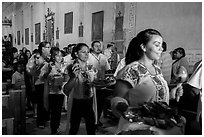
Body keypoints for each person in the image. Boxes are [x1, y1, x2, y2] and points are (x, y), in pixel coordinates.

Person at [111, 29, 185, 134]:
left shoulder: (157, 69)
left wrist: (172, 94)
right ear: (143, 47)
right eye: (157, 45)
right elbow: (117, 99)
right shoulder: (132, 70)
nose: (161, 49)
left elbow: (156, 96)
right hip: (137, 128)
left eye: (161, 45)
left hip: (158, 128)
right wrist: (126, 108)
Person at [63, 43, 98, 135]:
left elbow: (95, 83)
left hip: (89, 100)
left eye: (88, 52)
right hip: (76, 102)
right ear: (76, 54)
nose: (86, 54)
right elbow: (66, 90)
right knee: (74, 128)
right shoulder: (71, 68)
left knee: (91, 127)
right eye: (83, 52)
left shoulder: (91, 67)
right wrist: (74, 77)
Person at [26, 41, 51, 128]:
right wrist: (38, 67)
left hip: (49, 82)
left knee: (48, 101)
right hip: (39, 82)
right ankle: (40, 121)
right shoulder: (36, 57)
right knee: (41, 102)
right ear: (42, 48)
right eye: (47, 47)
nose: (49, 49)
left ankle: (46, 118)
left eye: (49, 47)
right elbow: (29, 70)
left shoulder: (49, 57)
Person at [88, 40, 111, 127]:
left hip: (102, 84)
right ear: (92, 47)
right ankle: (92, 119)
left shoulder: (103, 57)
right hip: (92, 84)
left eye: (99, 46)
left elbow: (107, 69)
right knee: (92, 103)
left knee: (100, 103)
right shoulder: (89, 57)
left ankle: (97, 119)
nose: (98, 48)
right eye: (96, 46)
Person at [46, 47, 65, 134]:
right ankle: (53, 130)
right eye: (57, 56)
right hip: (52, 92)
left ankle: (56, 128)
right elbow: (43, 76)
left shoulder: (63, 66)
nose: (60, 57)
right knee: (54, 112)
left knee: (58, 112)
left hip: (61, 92)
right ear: (53, 57)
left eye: (61, 55)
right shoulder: (50, 66)